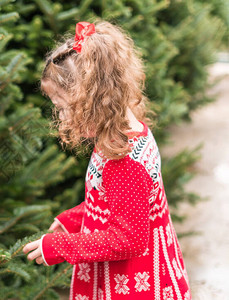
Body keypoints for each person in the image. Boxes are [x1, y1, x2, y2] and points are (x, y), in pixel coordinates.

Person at [22, 20, 192, 300]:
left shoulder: (123, 160)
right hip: (140, 272)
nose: (62, 118)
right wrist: (74, 219)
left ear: (93, 100)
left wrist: (61, 246)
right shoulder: (121, 135)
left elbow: (128, 239)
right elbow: (114, 200)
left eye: (64, 109)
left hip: (134, 284)